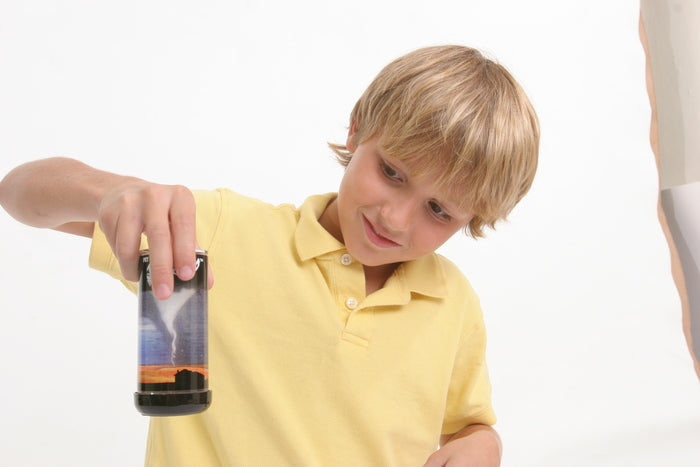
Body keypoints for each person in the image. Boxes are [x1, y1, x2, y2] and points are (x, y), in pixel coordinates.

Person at [0, 45, 539, 466]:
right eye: (392, 172)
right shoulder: (216, 232)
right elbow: (19, 193)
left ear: (473, 219)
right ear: (356, 131)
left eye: (439, 210)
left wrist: (482, 444)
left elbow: (466, 423)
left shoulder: (453, 302)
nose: (395, 219)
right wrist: (109, 192)